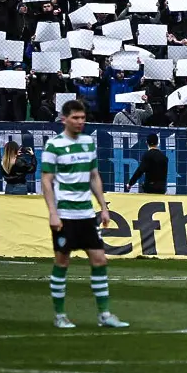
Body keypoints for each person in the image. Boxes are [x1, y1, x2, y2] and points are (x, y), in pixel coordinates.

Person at [41, 99, 127, 329]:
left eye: (83, 117)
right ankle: (59, 314)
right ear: (64, 119)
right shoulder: (54, 145)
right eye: (76, 118)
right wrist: (52, 213)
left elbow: (94, 176)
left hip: (86, 215)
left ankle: (104, 314)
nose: (80, 122)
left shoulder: (89, 142)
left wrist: (104, 207)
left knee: (100, 259)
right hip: (65, 214)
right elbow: (46, 181)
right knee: (62, 261)